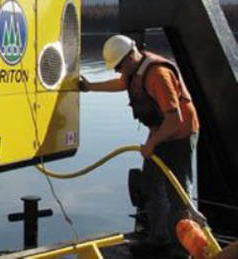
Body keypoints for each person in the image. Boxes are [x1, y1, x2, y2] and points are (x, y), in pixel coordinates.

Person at [80, 34, 200, 257]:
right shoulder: (134, 69)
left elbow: (175, 119)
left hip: (180, 134)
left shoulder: (158, 75)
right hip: (161, 132)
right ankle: (159, 237)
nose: (119, 72)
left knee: (179, 194)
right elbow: (122, 83)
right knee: (152, 183)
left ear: (130, 56)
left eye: (119, 67)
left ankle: (182, 250)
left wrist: (152, 143)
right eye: (116, 69)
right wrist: (90, 87)